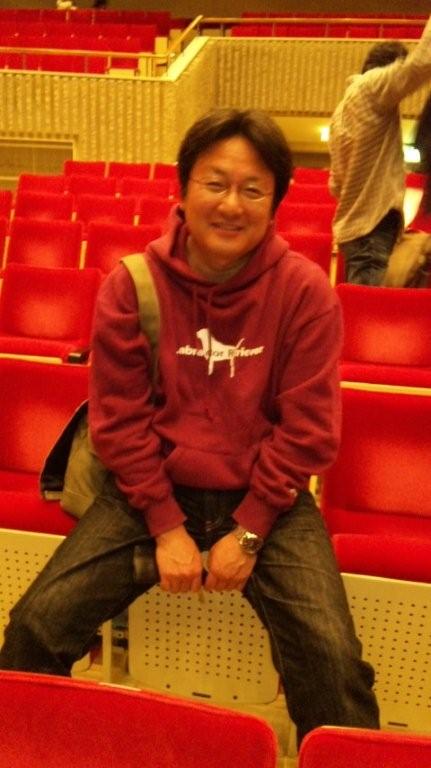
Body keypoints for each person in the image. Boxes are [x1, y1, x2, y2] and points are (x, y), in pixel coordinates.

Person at [0, 108, 379, 745]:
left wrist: (250, 531)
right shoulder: (133, 284)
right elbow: (120, 422)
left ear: (275, 202)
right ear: (183, 189)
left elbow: (309, 430)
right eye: (215, 183)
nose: (231, 204)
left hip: (266, 499)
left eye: (252, 189)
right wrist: (165, 525)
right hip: (148, 491)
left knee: (334, 665)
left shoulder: (305, 292)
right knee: (34, 630)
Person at [329, 17, 431, 286]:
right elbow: (421, 63)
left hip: (356, 231)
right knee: (367, 308)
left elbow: (335, 184)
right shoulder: (373, 87)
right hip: (371, 229)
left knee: (359, 303)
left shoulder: (341, 111)